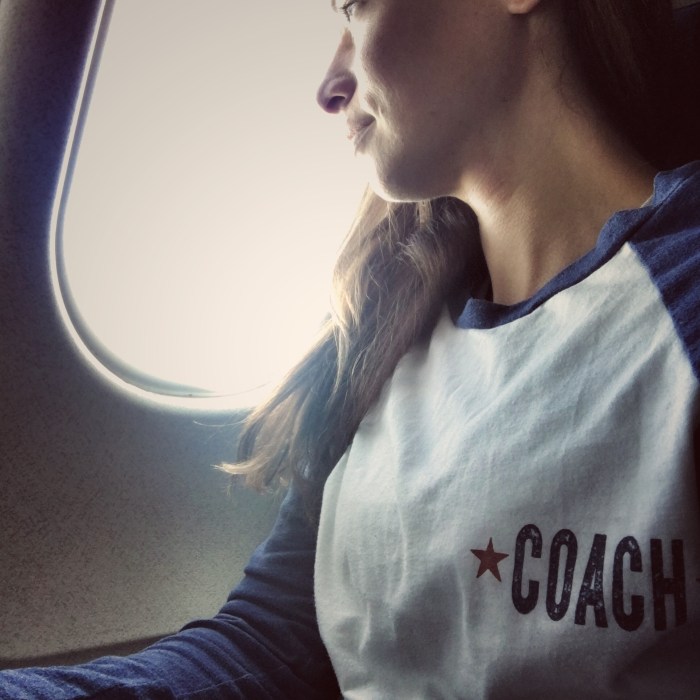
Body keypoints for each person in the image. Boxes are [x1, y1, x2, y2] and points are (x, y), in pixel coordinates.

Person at [2, 0, 700, 697]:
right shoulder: (382, 329)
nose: (329, 86)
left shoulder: (681, 304)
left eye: (354, 7)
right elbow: (268, 645)